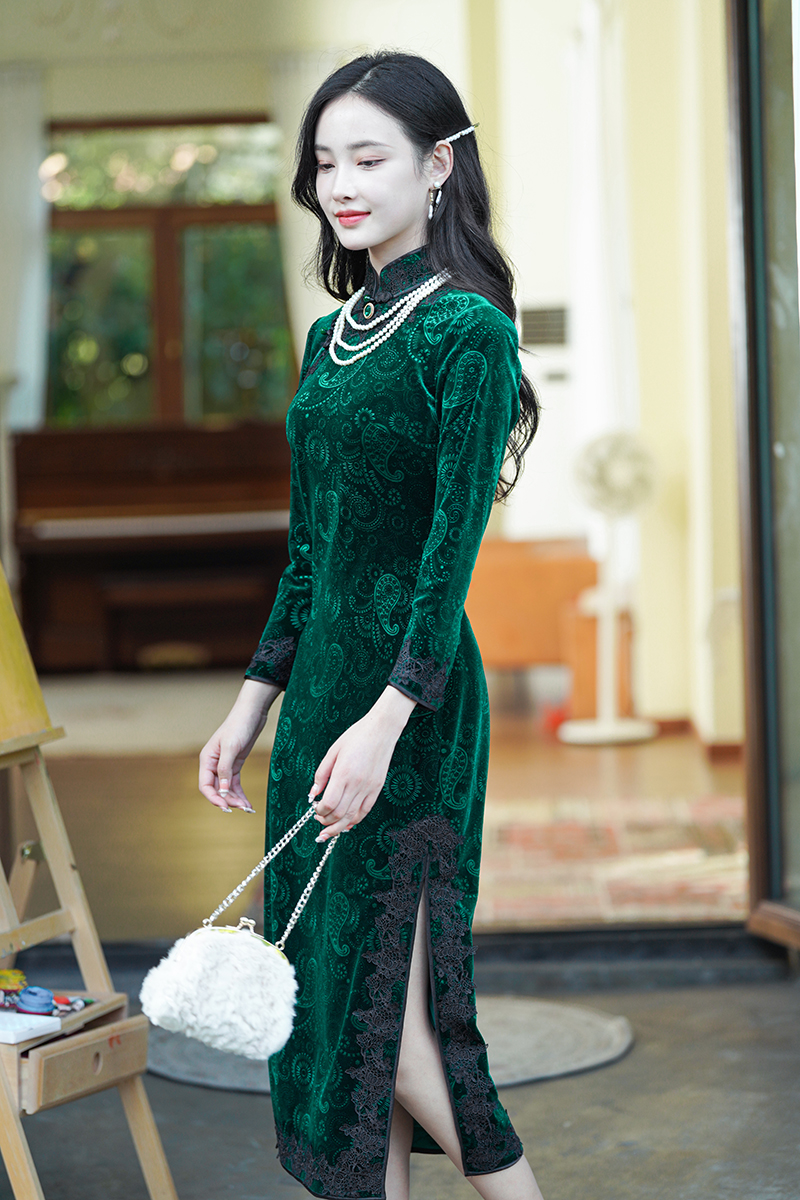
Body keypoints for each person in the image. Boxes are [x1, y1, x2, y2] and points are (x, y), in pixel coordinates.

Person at [199, 50, 545, 1200]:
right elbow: (311, 552)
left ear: (437, 165)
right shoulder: (329, 336)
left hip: (413, 707)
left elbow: (447, 563)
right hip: (319, 705)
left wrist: (387, 719)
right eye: (323, 162)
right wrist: (249, 708)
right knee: (334, 1030)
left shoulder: (467, 332)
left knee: (390, 1030)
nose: (338, 184)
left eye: (366, 158)